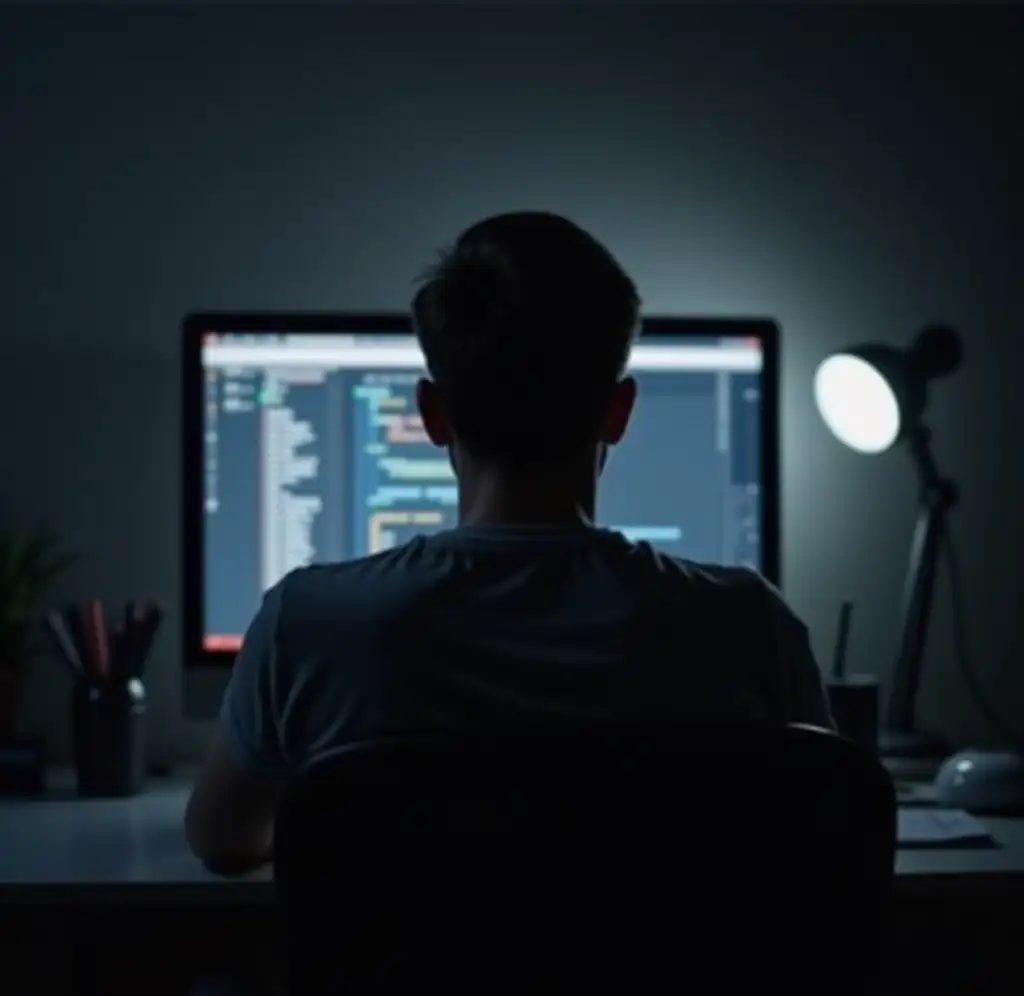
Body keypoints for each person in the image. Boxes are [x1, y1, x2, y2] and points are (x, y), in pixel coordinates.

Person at [185, 211, 834, 875]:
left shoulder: (308, 623)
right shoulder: (750, 624)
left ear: (433, 415)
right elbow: (820, 850)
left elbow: (222, 841)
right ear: (620, 410)